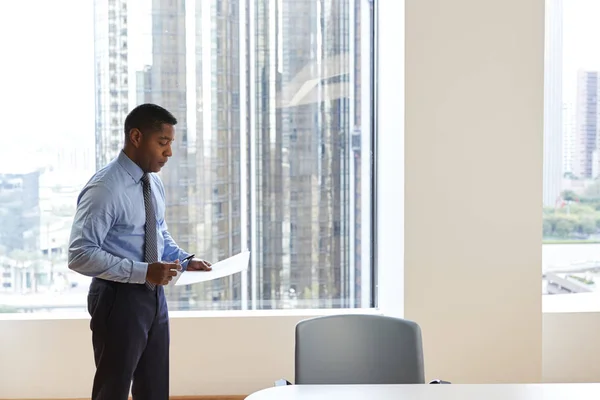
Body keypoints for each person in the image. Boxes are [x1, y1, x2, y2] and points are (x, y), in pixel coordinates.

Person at [68, 103, 212, 400]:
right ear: (136, 137)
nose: (168, 152)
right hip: (117, 298)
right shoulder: (105, 189)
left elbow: (158, 233)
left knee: (155, 388)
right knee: (114, 390)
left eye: (170, 143)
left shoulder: (153, 183)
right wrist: (143, 271)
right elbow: (80, 253)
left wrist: (185, 260)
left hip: (154, 297)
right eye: (162, 143)